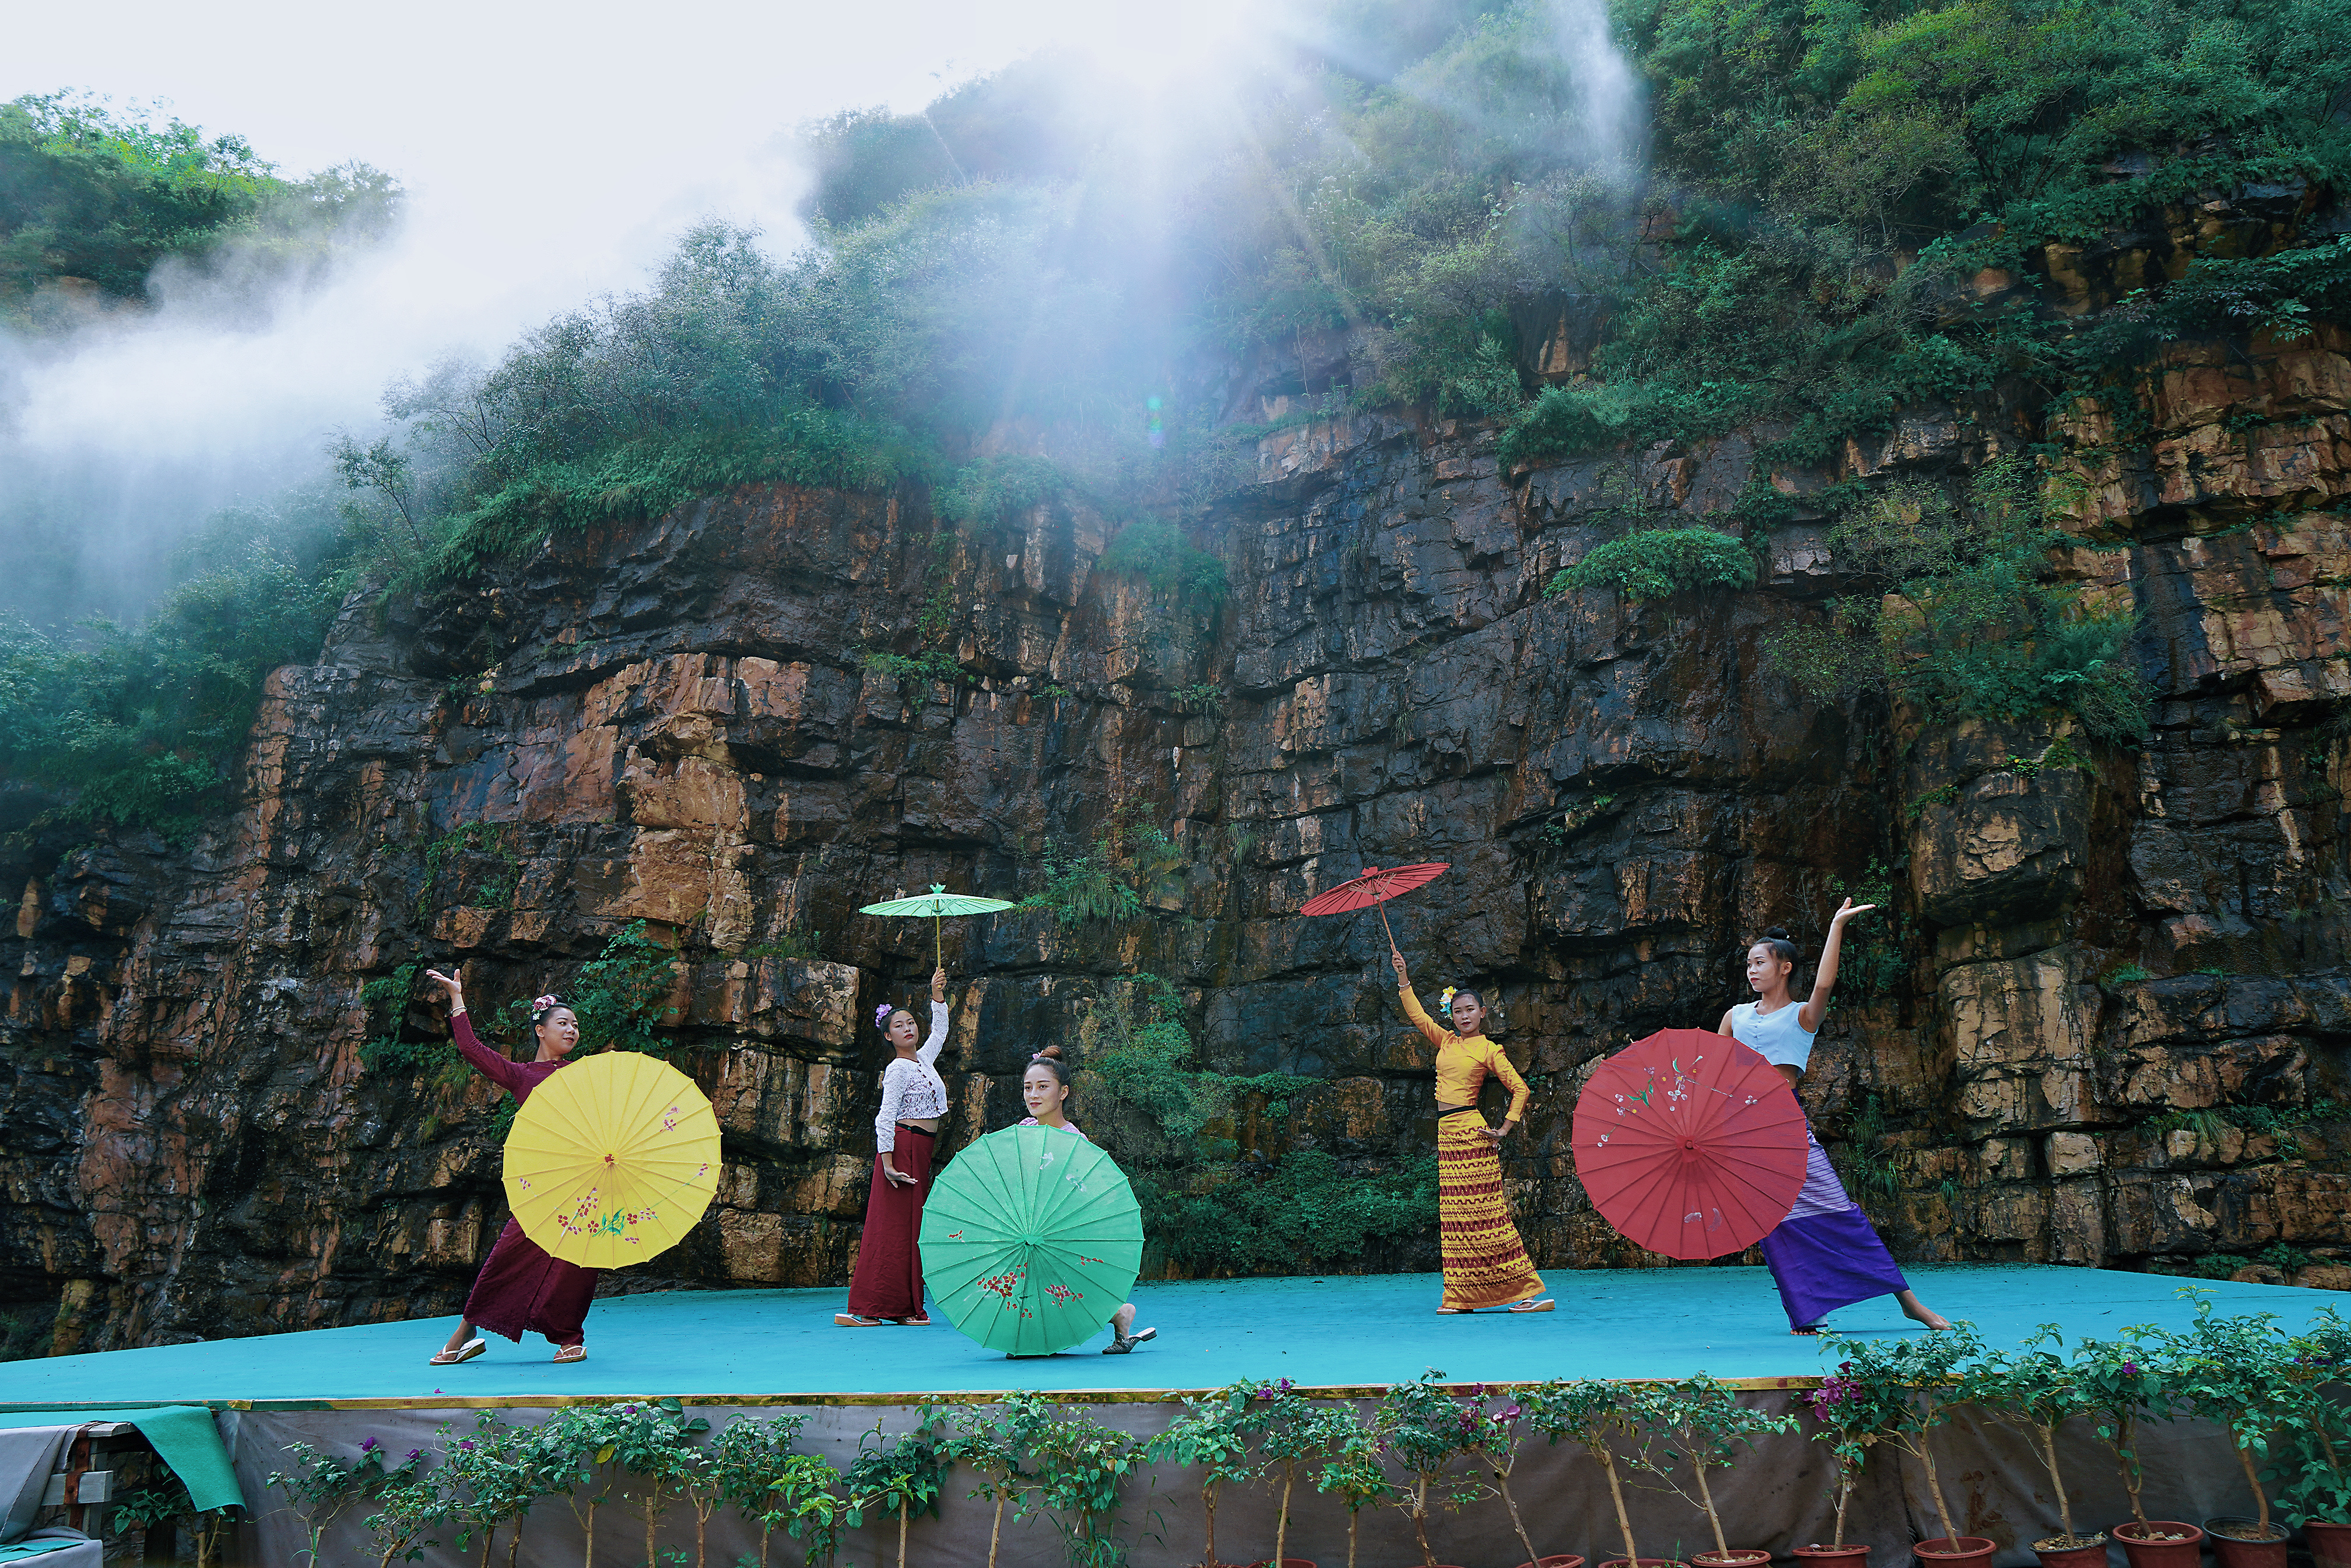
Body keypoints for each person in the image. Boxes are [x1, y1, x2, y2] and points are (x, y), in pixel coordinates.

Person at [1720, 900, 1951, 1336]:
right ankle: (1810, 1311)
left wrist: (1836, 926)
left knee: (1839, 1211)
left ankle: (1909, 1303)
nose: (1752, 971)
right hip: (1744, 1133)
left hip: (1786, 1125)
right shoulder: (1735, 1017)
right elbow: (1716, 1077)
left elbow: (1825, 982)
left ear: (1784, 967)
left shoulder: (1802, 1015)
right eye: (1748, 964)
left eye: (1760, 963)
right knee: (1776, 1225)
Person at [422, 969, 598, 1365]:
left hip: (587, 1181)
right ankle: (467, 1330)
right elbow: (472, 1049)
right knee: (508, 1256)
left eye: (575, 1025)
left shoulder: (586, 1074)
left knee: (578, 1263)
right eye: (563, 1023)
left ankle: (569, 1336)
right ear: (541, 1030)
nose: (572, 1030)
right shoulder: (522, 1075)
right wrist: (457, 998)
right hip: (546, 1186)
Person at [1390, 949, 1554, 1315]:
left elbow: (1521, 1089)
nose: (1464, 1016)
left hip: (1472, 1135)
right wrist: (1403, 977)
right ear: (1452, 1015)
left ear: (1482, 1013)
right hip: (1447, 1137)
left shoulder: (1489, 1050)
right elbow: (1417, 1016)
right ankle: (1461, 1299)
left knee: (1487, 1216)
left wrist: (1505, 1128)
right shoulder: (1447, 1041)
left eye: (1470, 1010)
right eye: (1457, 1011)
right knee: (1456, 1221)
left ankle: (1527, 1294)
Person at [1018, 1045, 1157, 1355]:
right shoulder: (1022, 1131)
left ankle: (1116, 1314)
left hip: (1063, 1225)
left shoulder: (1074, 1140)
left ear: (1063, 1092)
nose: (1033, 1095)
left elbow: (1082, 1192)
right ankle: (1117, 1314)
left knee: (1062, 1281)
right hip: (1028, 1223)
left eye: (1043, 1087)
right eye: (1028, 1087)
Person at [837, 967, 950, 1327]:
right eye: (899, 1026)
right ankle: (870, 1307)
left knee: (909, 1227)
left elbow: (941, 1032)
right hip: (901, 1151)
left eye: (911, 1023)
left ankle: (898, 1307)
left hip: (919, 1149)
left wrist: (937, 996)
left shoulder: (924, 1060)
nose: (908, 1029)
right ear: (889, 1036)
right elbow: (885, 1117)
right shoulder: (899, 1069)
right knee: (892, 1227)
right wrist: (887, 1162)